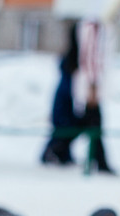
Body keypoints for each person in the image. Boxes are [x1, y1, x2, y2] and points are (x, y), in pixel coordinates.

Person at [75, 17, 114, 174]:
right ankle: (97, 161)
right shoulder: (91, 31)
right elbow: (90, 60)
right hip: (91, 92)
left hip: (93, 90)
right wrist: (92, 87)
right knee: (92, 128)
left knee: (92, 128)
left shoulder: (98, 31)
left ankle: (96, 160)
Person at [40, 24, 82, 166]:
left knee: (65, 127)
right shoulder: (72, 55)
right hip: (64, 97)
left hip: (66, 97)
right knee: (62, 128)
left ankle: (62, 154)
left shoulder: (74, 53)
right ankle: (50, 153)